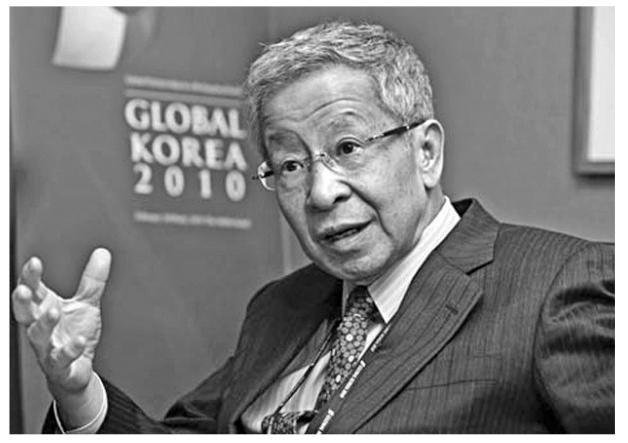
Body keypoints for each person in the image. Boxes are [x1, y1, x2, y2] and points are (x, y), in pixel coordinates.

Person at [12, 21, 614, 434]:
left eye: (348, 147)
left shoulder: (560, 287)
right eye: (292, 165)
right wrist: (79, 391)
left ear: (426, 152)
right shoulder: (281, 308)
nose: (322, 192)